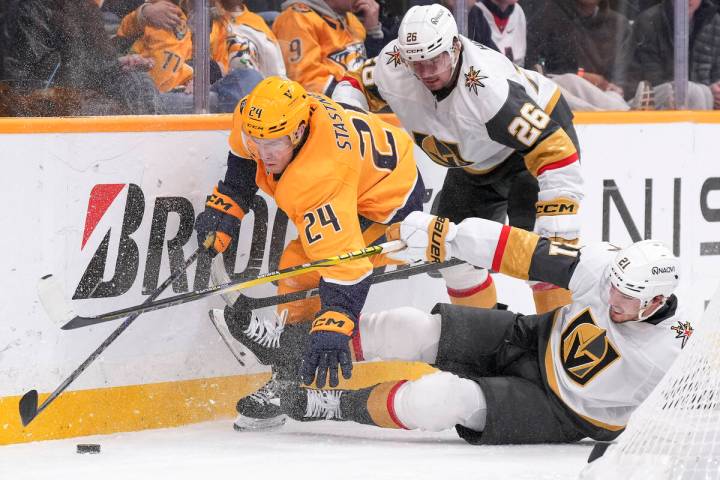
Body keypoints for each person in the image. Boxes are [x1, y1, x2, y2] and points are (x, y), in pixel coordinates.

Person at [272, 211, 686, 444]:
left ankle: (329, 404)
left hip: (561, 411)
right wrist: (448, 235)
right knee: (409, 327)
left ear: (656, 301)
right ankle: (289, 349)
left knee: (441, 400)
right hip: (532, 337)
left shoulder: (673, 354)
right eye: (615, 286)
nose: (613, 298)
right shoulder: (601, 269)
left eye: (628, 297)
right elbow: (520, 249)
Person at [195, 76, 425, 430]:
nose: (265, 152)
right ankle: (288, 350)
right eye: (258, 140)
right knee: (295, 265)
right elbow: (244, 165)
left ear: (300, 130)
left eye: (275, 143)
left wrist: (335, 323)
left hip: (388, 203)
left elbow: (348, 269)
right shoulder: (255, 119)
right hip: (367, 163)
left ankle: (286, 371)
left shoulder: (320, 177)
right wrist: (226, 208)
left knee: (302, 268)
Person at [334, 3, 583, 314]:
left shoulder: (487, 88)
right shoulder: (394, 63)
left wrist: (559, 217)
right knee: (455, 258)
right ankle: (488, 344)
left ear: (454, 46)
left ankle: (557, 345)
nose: (425, 73)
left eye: (434, 60)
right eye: (417, 62)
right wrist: (350, 131)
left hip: (532, 150)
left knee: (548, 259)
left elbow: (553, 149)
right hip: (474, 161)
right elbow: (352, 84)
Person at [623, 0, 720, 110]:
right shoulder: (650, 20)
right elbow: (650, 79)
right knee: (692, 92)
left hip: (700, 97)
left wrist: (716, 90)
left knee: (702, 93)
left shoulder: (714, 21)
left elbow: (716, 73)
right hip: (645, 98)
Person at [271, 0, 384, 94]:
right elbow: (306, 82)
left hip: (361, 101)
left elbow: (368, 67)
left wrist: (373, 32)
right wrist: (361, 95)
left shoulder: (351, 18)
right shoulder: (295, 19)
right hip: (328, 112)